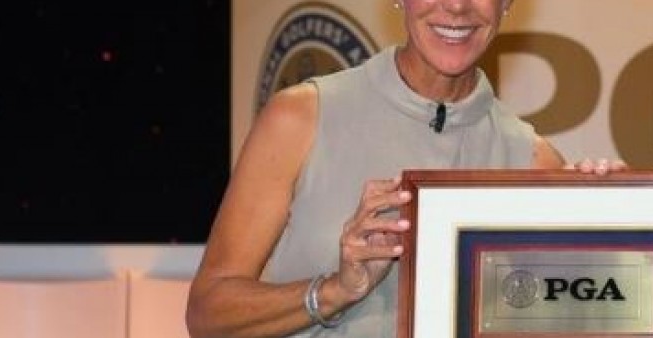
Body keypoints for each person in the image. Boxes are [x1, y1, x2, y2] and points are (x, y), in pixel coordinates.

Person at [185, 1, 621, 337]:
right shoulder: (302, 117)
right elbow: (207, 314)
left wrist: (613, 230)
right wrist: (337, 289)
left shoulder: (535, 162)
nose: (456, 6)